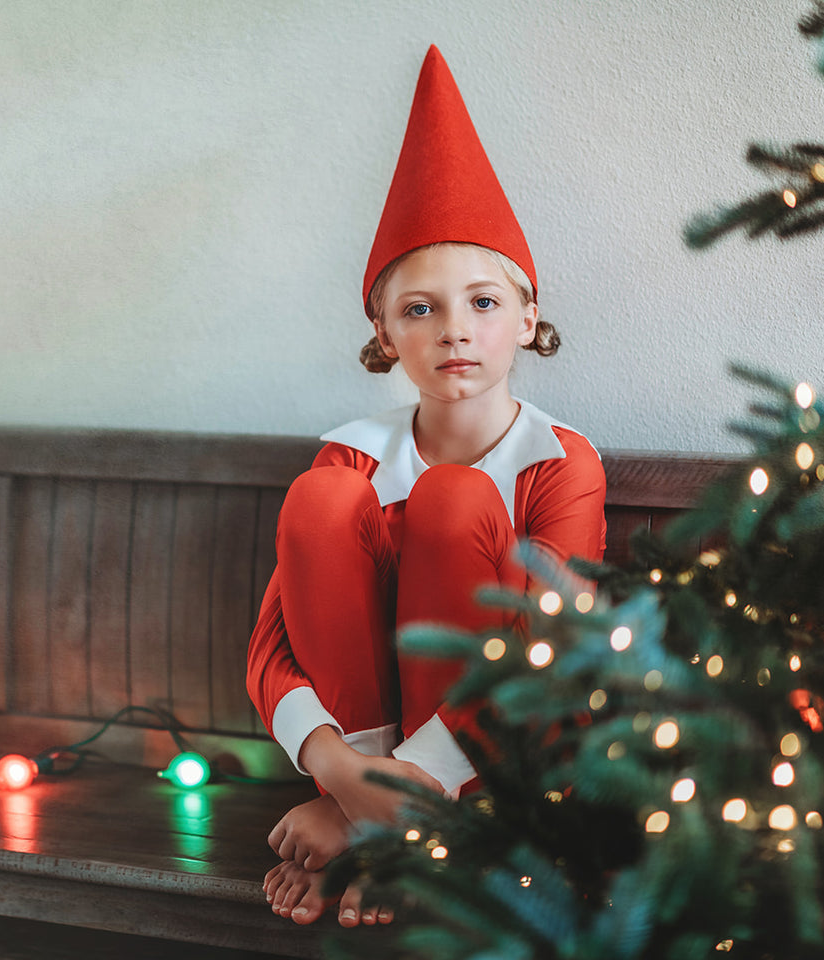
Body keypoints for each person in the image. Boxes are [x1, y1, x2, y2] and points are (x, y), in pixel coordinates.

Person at [246, 45, 607, 928]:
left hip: (511, 757)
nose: (455, 332)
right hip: (356, 761)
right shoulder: (351, 458)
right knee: (319, 501)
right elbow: (270, 647)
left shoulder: (559, 462)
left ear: (527, 318)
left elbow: (546, 655)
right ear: (383, 332)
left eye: (483, 303)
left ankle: (417, 830)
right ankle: (382, 821)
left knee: (452, 498)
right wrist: (339, 771)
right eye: (421, 309)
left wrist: (392, 793)